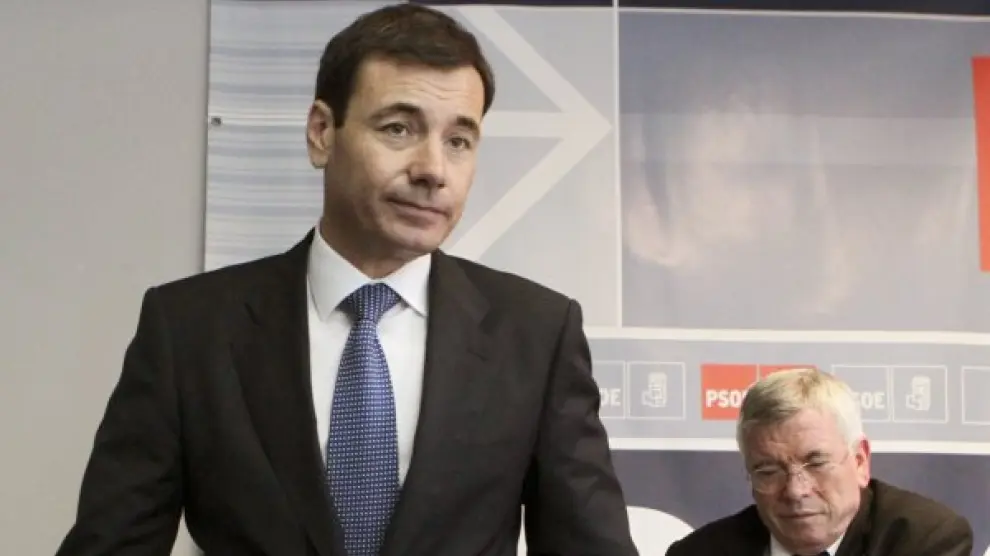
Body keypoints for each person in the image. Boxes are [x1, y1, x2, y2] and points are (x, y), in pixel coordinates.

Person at [54, 4, 637, 556]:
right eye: (399, 129)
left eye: (458, 141)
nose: (433, 170)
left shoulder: (537, 334)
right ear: (321, 133)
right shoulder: (188, 329)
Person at [665, 368, 973, 556]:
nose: (795, 491)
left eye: (816, 463)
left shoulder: (923, 539)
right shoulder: (700, 553)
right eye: (769, 470)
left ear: (860, 461)